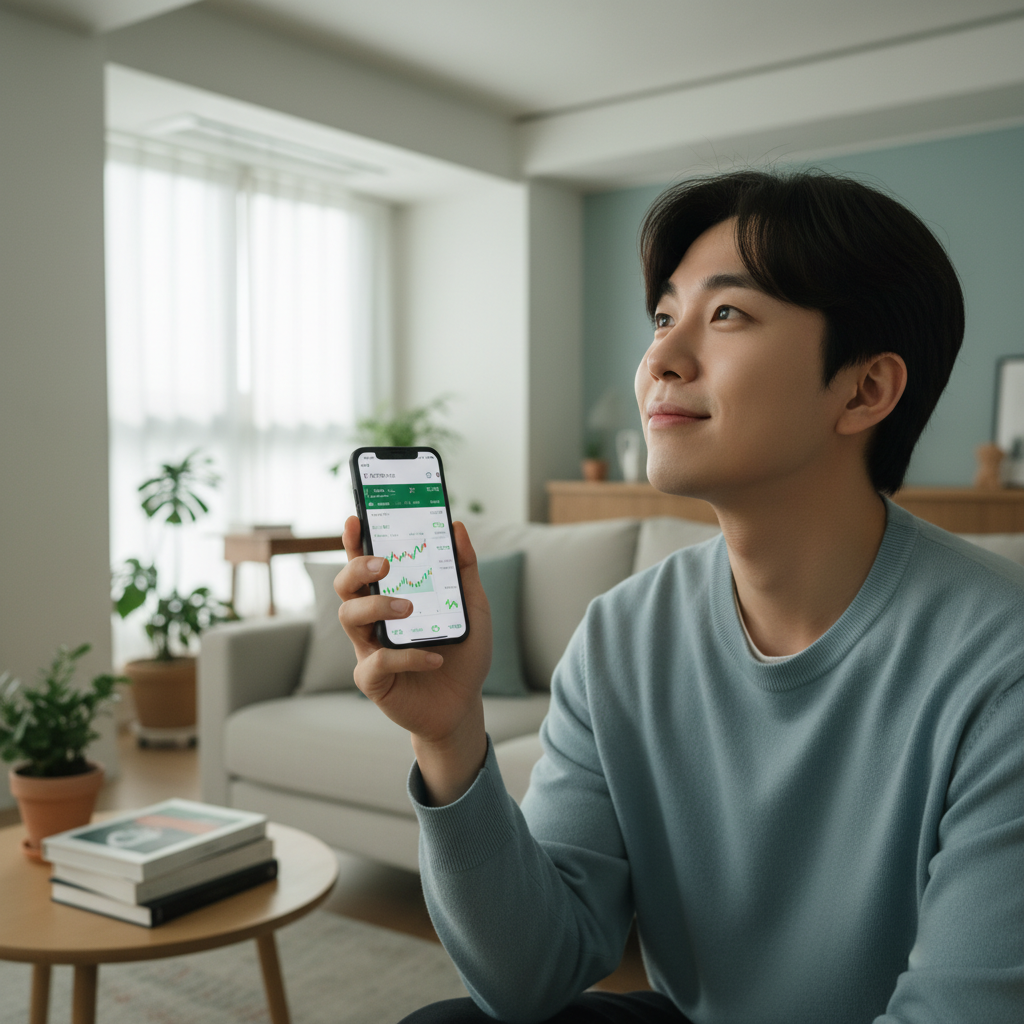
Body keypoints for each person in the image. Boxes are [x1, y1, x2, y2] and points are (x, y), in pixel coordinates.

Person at [335, 170, 1024, 1024]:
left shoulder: (1003, 661)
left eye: (726, 313)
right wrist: (449, 736)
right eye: (664, 317)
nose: (661, 356)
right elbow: (528, 978)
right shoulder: (621, 635)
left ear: (865, 389)